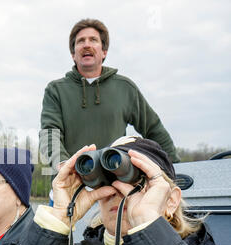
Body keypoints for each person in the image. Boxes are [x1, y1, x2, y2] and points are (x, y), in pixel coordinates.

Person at [0, 137, 231, 245]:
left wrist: (148, 225)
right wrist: (57, 220)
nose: (117, 191)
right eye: (108, 179)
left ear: (171, 200)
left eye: (135, 178)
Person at [39, 18, 180, 176]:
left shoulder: (125, 88)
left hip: (117, 187)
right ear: (73, 54)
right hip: (70, 185)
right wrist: (64, 166)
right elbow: (49, 134)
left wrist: (176, 169)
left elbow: (154, 129)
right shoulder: (55, 90)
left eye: (93, 40)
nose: (86, 44)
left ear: (104, 51)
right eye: (80, 41)